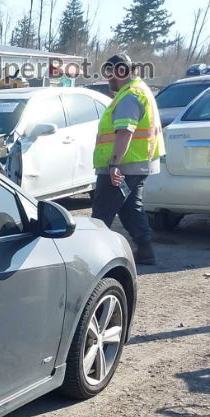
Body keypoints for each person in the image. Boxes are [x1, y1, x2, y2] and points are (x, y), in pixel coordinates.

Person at [91, 53, 165, 266]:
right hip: (137, 164)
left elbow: (125, 132)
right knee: (131, 208)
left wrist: (115, 164)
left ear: (120, 72)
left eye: (109, 73)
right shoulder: (140, 91)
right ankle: (145, 249)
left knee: (101, 212)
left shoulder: (129, 96)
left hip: (123, 165)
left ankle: (94, 258)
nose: (107, 79)